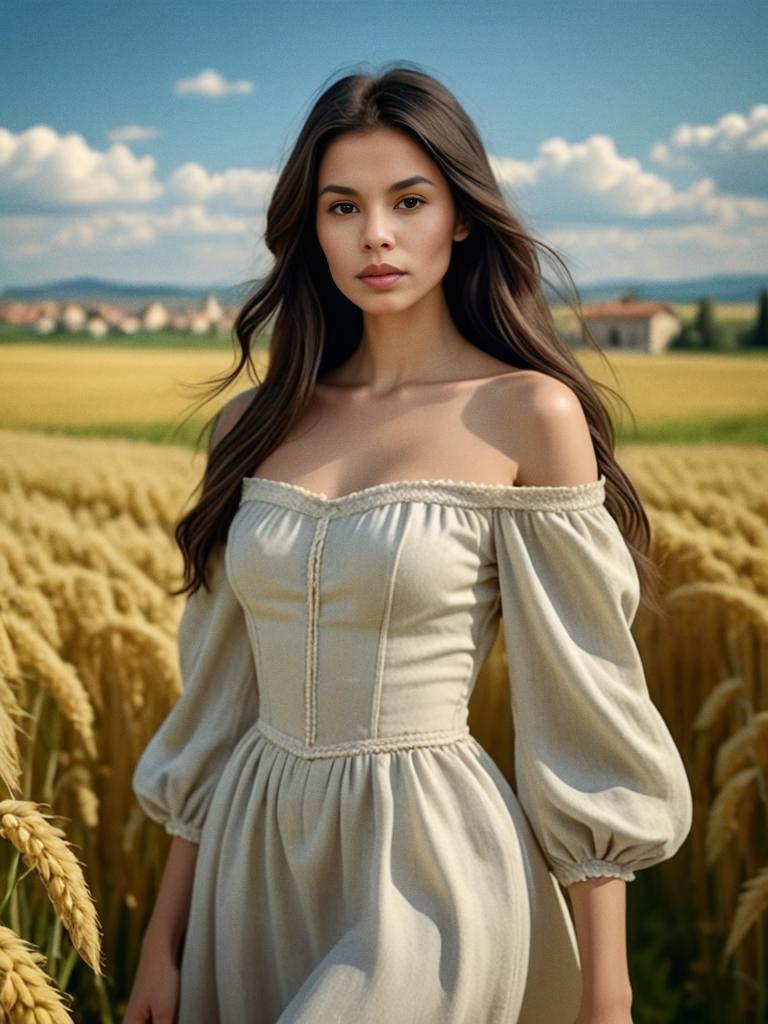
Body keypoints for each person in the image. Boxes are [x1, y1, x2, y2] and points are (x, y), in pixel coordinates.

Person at [123, 62, 693, 1024]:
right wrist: (160, 946)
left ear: (462, 217)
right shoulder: (252, 427)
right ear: (312, 226)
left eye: (410, 200)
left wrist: (607, 994)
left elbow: (586, 706)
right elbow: (219, 706)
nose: (375, 235)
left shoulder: (527, 415)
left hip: (427, 864)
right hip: (249, 869)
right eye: (342, 206)